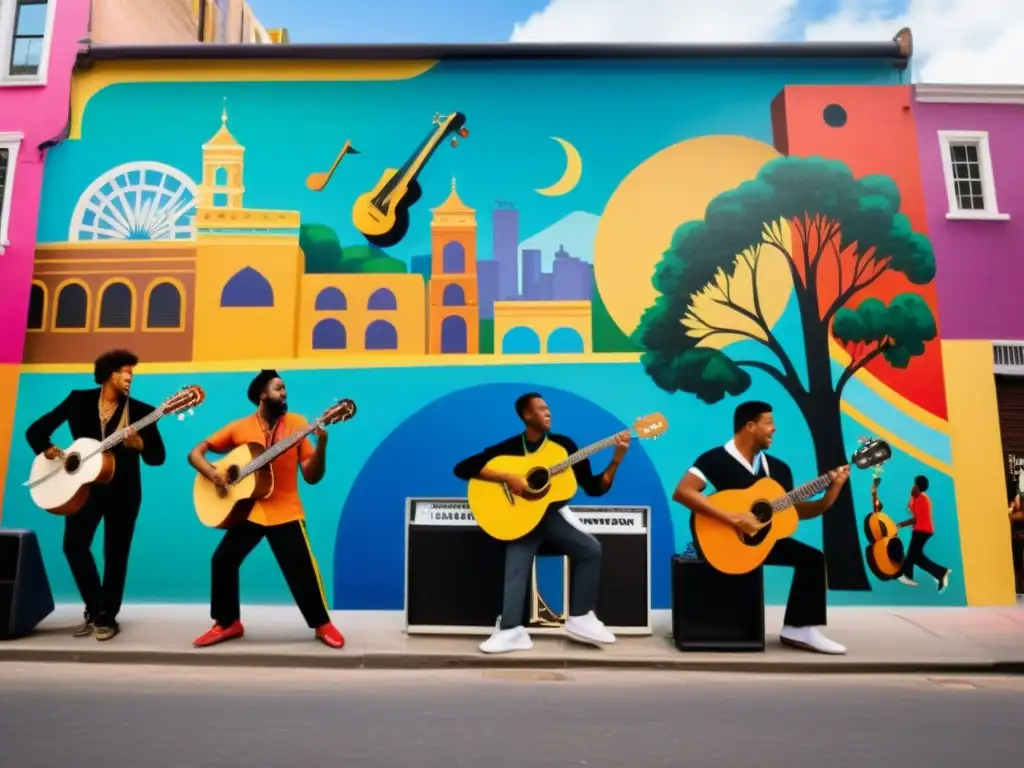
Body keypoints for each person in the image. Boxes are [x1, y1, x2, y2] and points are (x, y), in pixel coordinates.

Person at [453, 392, 630, 654]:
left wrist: (616, 460)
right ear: (527, 415)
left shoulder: (564, 447)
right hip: (521, 515)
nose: (548, 413)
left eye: (549, 409)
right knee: (520, 562)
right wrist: (508, 478)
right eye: (541, 409)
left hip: (548, 514)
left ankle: (577, 618)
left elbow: (594, 488)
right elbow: (464, 467)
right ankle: (513, 630)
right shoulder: (510, 447)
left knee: (590, 550)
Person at [672, 400, 849, 655]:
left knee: (812, 559)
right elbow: (683, 492)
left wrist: (831, 493)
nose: (774, 429)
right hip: (721, 540)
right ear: (750, 426)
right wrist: (733, 519)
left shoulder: (778, 469)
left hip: (760, 543)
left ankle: (798, 628)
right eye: (769, 423)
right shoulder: (714, 459)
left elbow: (795, 513)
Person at [187, 369, 344, 649]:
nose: (284, 393)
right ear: (262, 394)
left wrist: (322, 446)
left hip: (286, 508)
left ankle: (323, 624)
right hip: (251, 510)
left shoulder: (297, 424)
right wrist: (213, 474)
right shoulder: (239, 427)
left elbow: (311, 475)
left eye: (285, 389)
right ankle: (227, 622)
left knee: (302, 569)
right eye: (278, 388)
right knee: (222, 560)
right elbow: (195, 453)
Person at [25, 349, 166, 641]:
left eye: (132, 372)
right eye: (123, 371)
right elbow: (36, 430)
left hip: (124, 492)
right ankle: (94, 605)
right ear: (107, 374)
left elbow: (158, 457)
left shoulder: (141, 411)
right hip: (83, 488)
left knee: (115, 555)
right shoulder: (79, 400)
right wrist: (47, 448)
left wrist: (139, 444)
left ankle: (107, 617)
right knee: (74, 546)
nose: (129, 377)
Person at [897, 475, 952, 592]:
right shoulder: (915, 497)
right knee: (915, 557)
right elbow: (913, 514)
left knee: (912, 555)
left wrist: (901, 524)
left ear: (920, 488)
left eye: (915, 486)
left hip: (923, 530)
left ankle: (907, 576)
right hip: (919, 529)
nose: (913, 488)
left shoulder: (922, 499)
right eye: (914, 485)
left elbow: (916, 519)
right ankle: (940, 572)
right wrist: (901, 524)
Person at [1009, 491, 1024, 595]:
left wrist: (1010, 509)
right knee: (1017, 566)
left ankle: (1020, 588)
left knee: (1019, 566)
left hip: (1020, 540)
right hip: (1016, 541)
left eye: (1017, 499)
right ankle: (1018, 588)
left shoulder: (1020, 514)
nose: (1015, 501)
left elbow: (1010, 518)